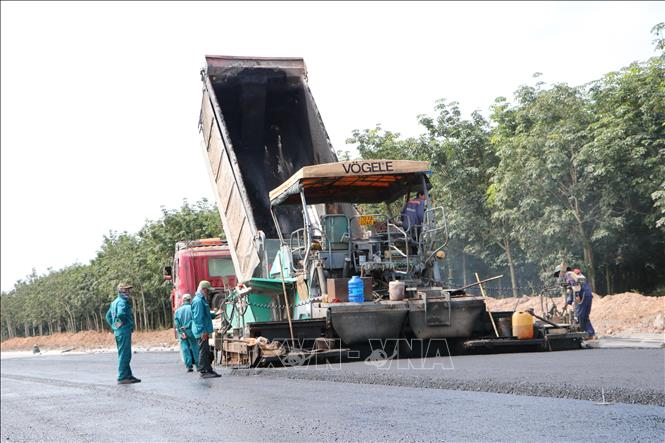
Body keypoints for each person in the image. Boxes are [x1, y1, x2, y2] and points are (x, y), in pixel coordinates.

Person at [105, 283, 141, 384]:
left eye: (128, 290)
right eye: (126, 290)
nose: (128, 292)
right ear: (121, 291)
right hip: (124, 331)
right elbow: (121, 314)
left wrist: (114, 327)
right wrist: (118, 325)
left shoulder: (114, 302)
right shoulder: (122, 302)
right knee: (125, 355)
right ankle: (122, 377)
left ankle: (128, 375)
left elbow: (108, 316)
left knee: (124, 354)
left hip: (119, 332)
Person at [191, 280, 221, 378]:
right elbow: (198, 318)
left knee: (206, 350)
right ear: (203, 289)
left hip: (203, 330)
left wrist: (215, 314)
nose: (209, 293)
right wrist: (203, 331)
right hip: (201, 331)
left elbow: (205, 314)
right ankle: (203, 371)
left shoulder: (202, 300)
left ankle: (208, 369)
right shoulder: (198, 301)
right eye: (208, 290)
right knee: (203, 351)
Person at [174, 294, 200, 372]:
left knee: (185, 348)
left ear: (183, 300)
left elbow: (177, 323)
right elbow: (194, 320)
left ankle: (189, 366)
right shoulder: (192, 309)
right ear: (190, 300)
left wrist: (181, 332)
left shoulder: (178, 311)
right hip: (191, 331)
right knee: (195, 347)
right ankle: (198, 365)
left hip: (182, 332)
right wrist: (188, 325)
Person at [570, 269, 596, 338]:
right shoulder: (583, 278)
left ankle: (582, 334)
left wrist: (576, 296)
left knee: (580, 316)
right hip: (589, 296)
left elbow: (575, 288)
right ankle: (591, 333)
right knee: (585, 316)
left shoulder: (575, 278)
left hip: (583, 297)